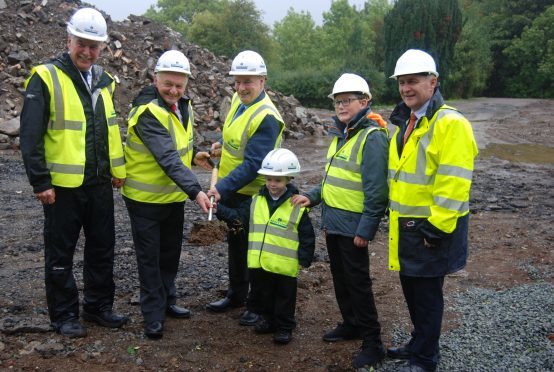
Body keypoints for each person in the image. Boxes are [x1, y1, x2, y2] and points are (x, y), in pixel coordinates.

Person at [20, 8, 127, 338]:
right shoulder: (46, 77)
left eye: (95, 46)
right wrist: (40, 180)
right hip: (61, 187)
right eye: (82, 43)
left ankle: (97, 307)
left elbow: (110, 131)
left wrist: (116, 170)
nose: (88, 51)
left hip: (97, 183)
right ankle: (64, 315)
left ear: (103, 48)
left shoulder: (104, 82)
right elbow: (30, 134)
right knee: (60, 253)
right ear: (69, 40)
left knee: (101, 248)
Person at [386, 49, 478, 372]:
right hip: (408, 228)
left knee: (426, 298)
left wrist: (438, 227)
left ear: (433, 81)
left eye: (413, 81)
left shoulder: (450, 123)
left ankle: (426, 358)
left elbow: (453, 180)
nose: (406, 88)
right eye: (401, 83)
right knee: (412, 292)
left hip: (430, 231)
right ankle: (418, 344)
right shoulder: (403, 121)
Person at [291, 73, 389, 369]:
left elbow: (377, 191)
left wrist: (366, 229)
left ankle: (374, 343)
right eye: (338, 100)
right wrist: (312, 196)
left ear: (365, 102)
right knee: (341, 280)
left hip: (353, 228)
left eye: (348, 100)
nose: (342, 106)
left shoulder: (371, 138)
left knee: (358, 284)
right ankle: (351, 323)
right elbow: (333, 180)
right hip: (334, 223)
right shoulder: (342, 133)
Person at [122, 50, 212, 339]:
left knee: (170, 254)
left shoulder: (184, 106)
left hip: (172, 197)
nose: (173, 90)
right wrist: (196, 191)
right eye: (168, 84)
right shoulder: (147, 111)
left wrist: (198, 153)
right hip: (144, 199)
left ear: (186, 84)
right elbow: (167, 157)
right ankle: (152, 314)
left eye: (179, 85)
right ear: (155, 79)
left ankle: (168, 300)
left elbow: (181, 147)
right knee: (149, 257)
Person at [205, 50, 285, 327]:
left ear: (262, 81)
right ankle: (237, 294)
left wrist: (221, 188)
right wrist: (220, 144)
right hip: (236, 191)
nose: (241, 87)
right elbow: (238, 139)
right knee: (237, 245)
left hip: (255, 194)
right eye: (237, 81)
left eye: (247, 81)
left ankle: (257, 304)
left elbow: (253, 164)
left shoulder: (267, 116)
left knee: (255, 251)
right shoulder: (241, 104)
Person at [215, 148, 315, 344]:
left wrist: (305, 258)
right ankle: (269, 321)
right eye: (268, 179)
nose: (272, 184)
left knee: (285, 298)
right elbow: (237, 217)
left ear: (288, 179)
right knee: (264, 294)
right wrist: (217, 208)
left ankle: (285, 326)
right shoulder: (255, 201)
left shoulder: (296, 205)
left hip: (285, 265)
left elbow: (307, 234)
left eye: (277, 180)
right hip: (260, 262)